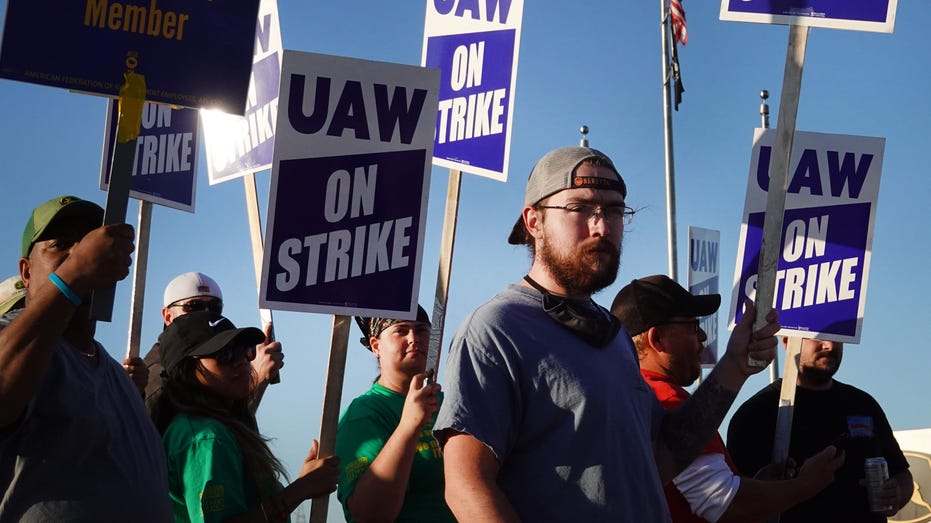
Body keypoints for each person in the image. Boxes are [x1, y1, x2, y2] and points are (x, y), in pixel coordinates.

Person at [433, 146, 781, 522]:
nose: (601, 226)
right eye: (579, 208)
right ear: (534, 222)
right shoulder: (497, 328)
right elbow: (467, 486)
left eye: (614, 210)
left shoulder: (612, 336)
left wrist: (733, 367)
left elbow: (660, 458)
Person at [611, 274, 843, 522]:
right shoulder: (665, 398)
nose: (702, 336)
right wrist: (806, 485)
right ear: (657, 339)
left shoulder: (629, 395)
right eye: (692, 326)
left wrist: (760, 486)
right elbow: (721, 503)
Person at [0, 195, 170, 521]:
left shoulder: (117, 376)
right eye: (61, 243)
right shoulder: (12, 338)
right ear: (26, 272)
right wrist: (73, 276)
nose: (79, 251)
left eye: (88, 242)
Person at [150, 310, 339, 522]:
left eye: (244, 351)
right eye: (224, 355)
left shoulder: (210, 427)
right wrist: (299, 490)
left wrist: (304, 482)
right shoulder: (207, 438)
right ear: (185, 371)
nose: (240, 362)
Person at [728, 337, 913, 522]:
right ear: (786, 341)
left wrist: (896, 492)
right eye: (819, 336)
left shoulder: (864, 404)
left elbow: (902, 474)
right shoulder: (756, 413)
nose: (830, 345)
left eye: (838, 337)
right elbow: (735, 503)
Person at [334, 307, 456, 523]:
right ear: (376, 345)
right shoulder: (364, 414)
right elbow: (368, 515)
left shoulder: (452, 404)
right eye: (401, 330)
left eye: (421, 331)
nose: (413, 338)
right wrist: (409, 426)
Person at [144, 271, 283, 413]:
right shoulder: (157, 378)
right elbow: (215, 430)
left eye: (215, 307)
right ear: (168, 316)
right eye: (194, 306)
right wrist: (257, 380)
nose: (206, 313)